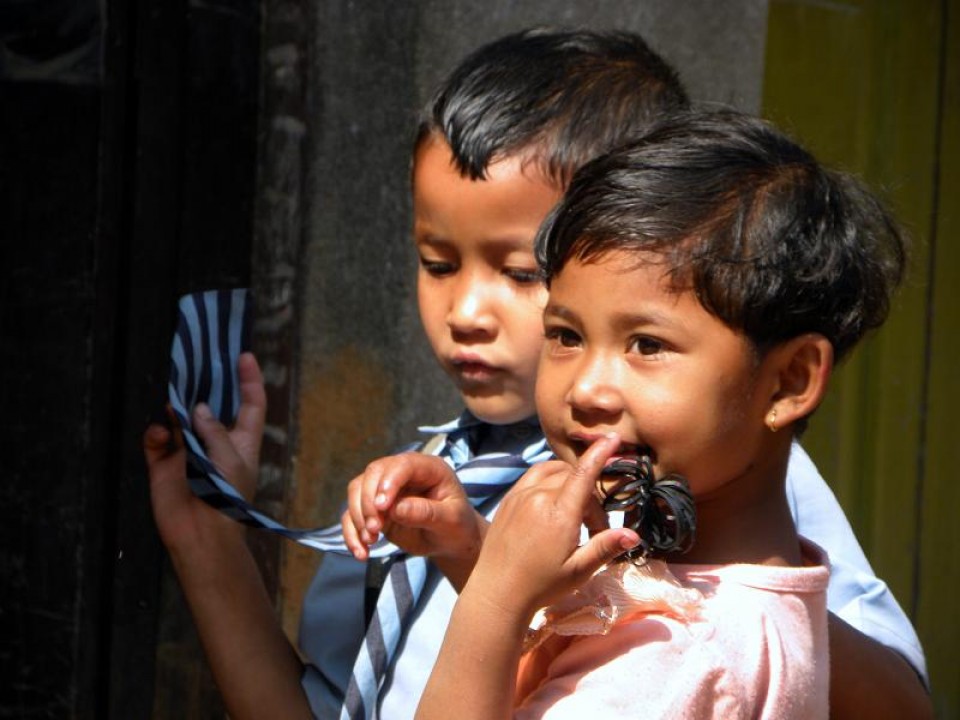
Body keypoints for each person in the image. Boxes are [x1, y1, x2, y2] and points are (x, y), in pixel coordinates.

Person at [143, 28, 929, 720]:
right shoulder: (429, 494)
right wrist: (211, 539)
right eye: (437, 263)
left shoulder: (726, 484)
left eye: (520, 273)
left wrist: (696, 602)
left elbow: (870, 690)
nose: (468, 311)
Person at [412, 109, 905, 718]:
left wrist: (493, 601)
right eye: (565, 335)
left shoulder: (673, 655)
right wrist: (477, 555)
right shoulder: (714, 589)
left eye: (647, 345)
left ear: (789, 382)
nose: (587, 389)